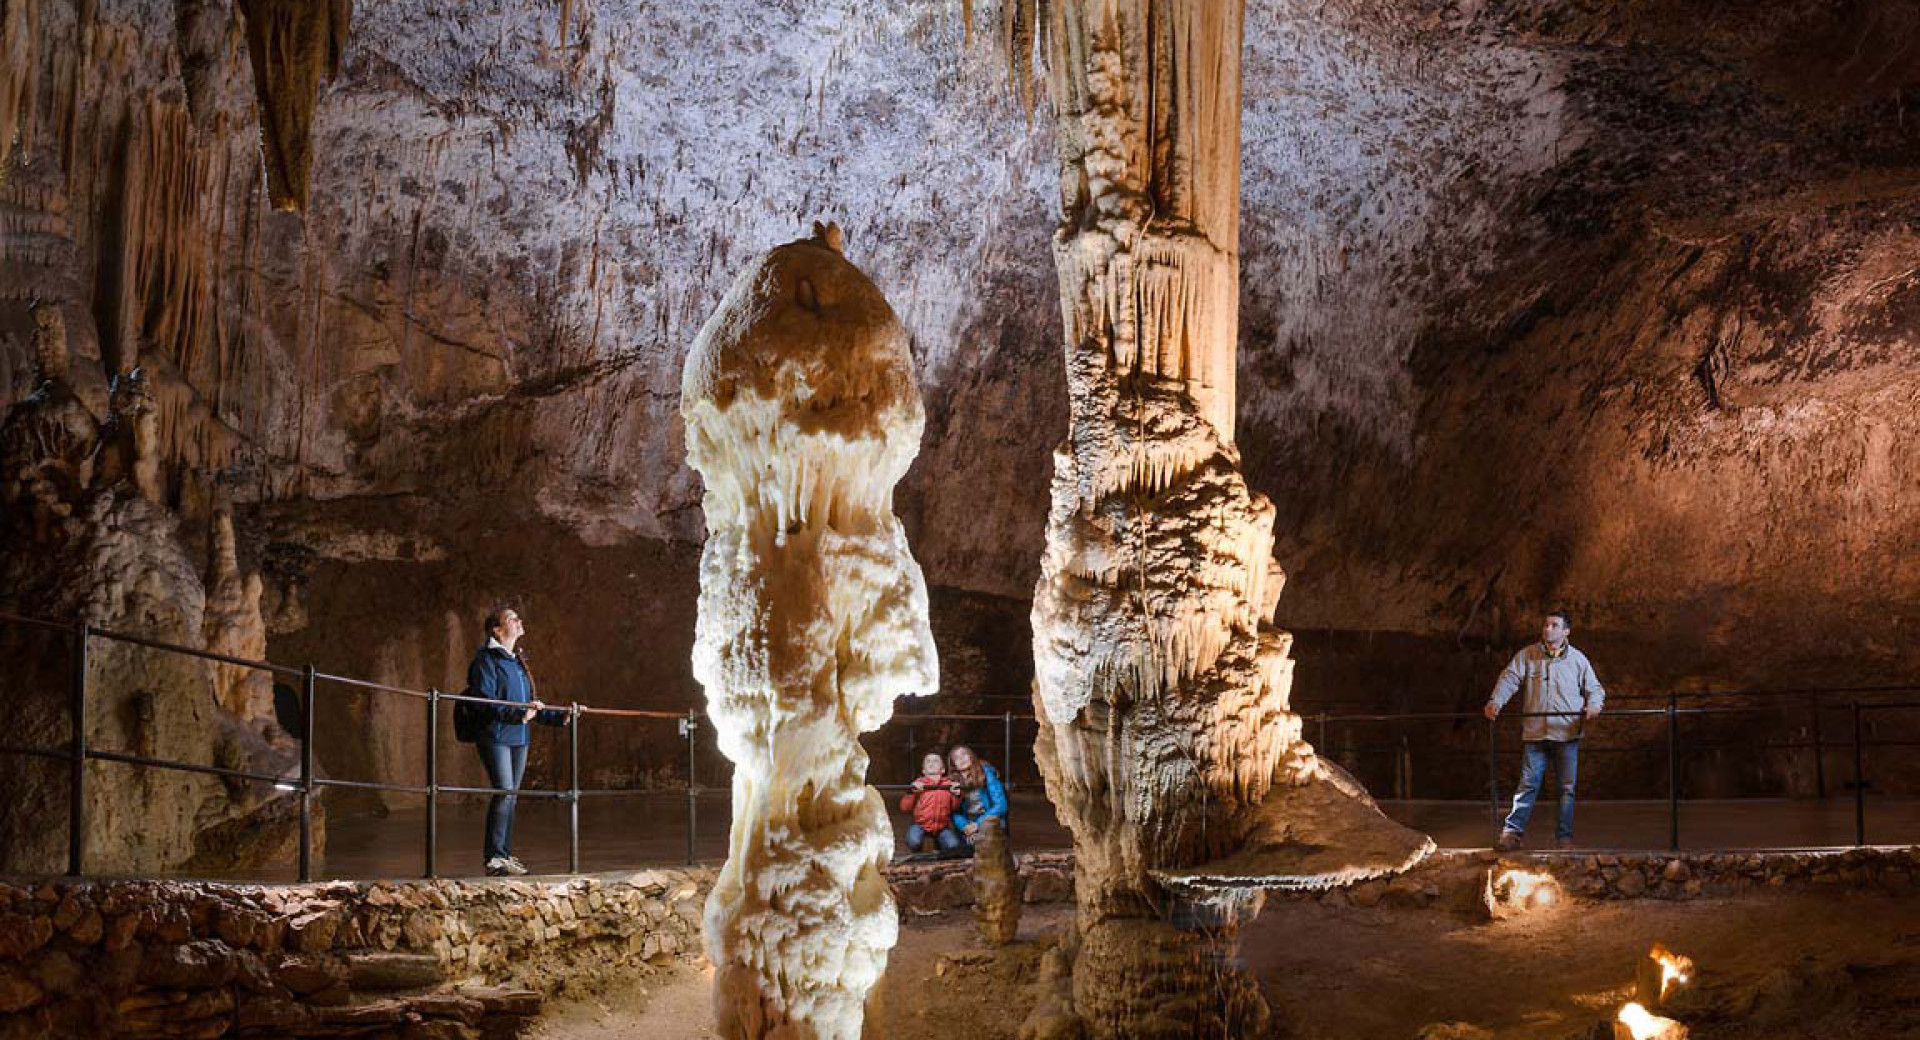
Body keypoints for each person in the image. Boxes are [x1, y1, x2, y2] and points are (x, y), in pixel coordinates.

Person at [1483, 609, 1606, 851]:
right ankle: (1512, 834)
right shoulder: (1528, 655)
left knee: (1566, 789)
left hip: (1566, 733)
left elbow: (1594, 688)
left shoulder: (1578, 660)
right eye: (1546, 624)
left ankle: (1564, 838)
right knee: (1527, 785)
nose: (1547, 629)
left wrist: (1594, 705)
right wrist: (1496, 701)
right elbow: (1510, 678)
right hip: (1536, 733)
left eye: (1554, 625)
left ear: (1566, 631)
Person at [467, 607, 571, 876]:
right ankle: (494, 857)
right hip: (496, 735)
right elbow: (484, 702)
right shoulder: (485, 660)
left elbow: (528, 704)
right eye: (512, 619)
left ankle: (503, 853)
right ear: (497, 630)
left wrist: (558, 717)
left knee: (511, 796)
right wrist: (518, 714)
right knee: (504, 791)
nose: (519, 621)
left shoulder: (518, 660)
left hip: (518, 737)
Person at [898, 751, 965, 855]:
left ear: (942, 770)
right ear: (924, 770)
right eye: (928, 761)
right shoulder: (919, 784)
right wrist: (911, 792)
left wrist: (957, 795)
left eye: (935, 761)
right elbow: (904, 807)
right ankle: (919, 853)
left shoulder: (948, 785)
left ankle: (939, 846)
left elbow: (955, 807)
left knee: (953, 845)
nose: (931, 763)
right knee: (913, 841)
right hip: (921, 824)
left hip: (942, 826)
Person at [947, 744, 1008, 847]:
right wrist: (964, 826)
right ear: (954, 765)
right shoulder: (952, 781)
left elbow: (1001, 805)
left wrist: (977, 824)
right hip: (968, 824)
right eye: (957, 758)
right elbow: (953, 811)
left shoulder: (986, 772)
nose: (961, 759)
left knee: (986, 845)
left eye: (964, 754)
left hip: (989, 819)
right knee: (969, 846)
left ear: (971, 756)